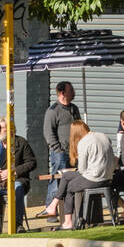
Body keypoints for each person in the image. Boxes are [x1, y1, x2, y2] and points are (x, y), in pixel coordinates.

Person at [42, 81, 81, 215]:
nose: (73, 92)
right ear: (62, 93)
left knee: (75, 178)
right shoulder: (53, 111)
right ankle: (50, 208)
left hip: (75, 151)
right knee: (57, 180)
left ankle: (72, 208)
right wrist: (58, 149)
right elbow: (48, 132)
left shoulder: (74, 109)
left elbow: (80, 127)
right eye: (71, 90)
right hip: (61, 153)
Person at [0, 119, 38, 229]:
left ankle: (17, 224)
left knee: (16, 188)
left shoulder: (21, 142)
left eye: (2, 128)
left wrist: (12, 172)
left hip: (18, 179)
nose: (0, 131)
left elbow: (32, 163)